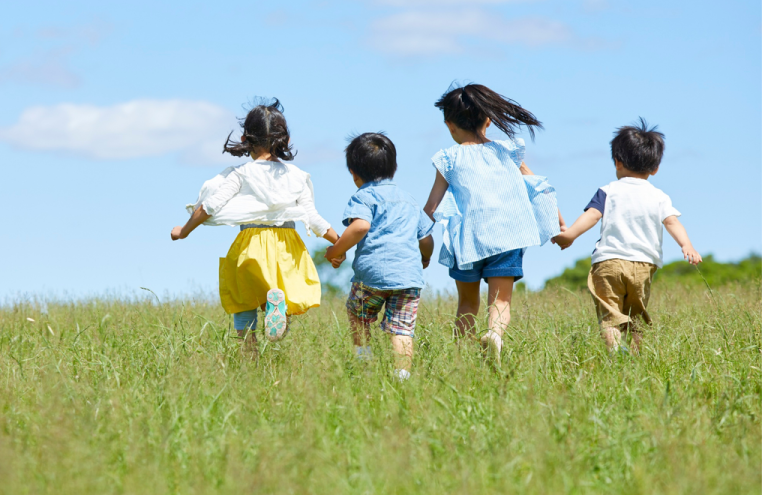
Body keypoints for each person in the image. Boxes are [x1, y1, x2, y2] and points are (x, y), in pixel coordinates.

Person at [171, 99, 339, 346]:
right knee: (282, 303)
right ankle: (276, 308)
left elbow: (210, 206)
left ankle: (248, 360)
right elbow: (313, 218)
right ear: (285, 140)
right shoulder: (297, 176)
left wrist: (183, 231)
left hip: (251, 244)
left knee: (244, 303)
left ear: (244, 138)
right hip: (287, 247)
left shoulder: (241, 174)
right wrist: (339, 244)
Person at [423, 81, 564, 365]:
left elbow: (431, 207)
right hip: (507, 236)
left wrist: (425, 240)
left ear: (450, 125)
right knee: (500, 302)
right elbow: (537, 185)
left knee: (466, 304)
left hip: (467, 241)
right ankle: (494, 336)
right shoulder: (508, 151)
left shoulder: (449, 158)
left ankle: (462, 359)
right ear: (488, 119)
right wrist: (558, 221)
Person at [553, 119, 701, 354]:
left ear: (617, 162)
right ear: (655, 168)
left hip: (609, 262)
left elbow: (592, 216)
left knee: (610, 314)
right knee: (637, 315)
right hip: (643, 264)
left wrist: (569, 235)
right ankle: (636, 358)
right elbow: (672, 221)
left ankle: (614, 355)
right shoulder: (659, 196)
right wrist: (687, 245)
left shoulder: (608, 190)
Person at [325, 133, 435, 381]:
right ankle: (402, 377)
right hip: (408, 278)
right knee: (402, 330)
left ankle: (364, 365)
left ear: (354, 173)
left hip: (370, 276)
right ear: (393, 168)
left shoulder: (363, 196)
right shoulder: (409, 200)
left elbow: (360, 227)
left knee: (358, 316)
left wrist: (335, 250)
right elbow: (426, 238)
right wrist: (424, 257)